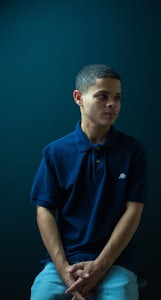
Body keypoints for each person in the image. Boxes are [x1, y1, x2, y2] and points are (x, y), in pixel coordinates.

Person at [30, 64, 147, 300]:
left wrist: (100, 267)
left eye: (117, 97)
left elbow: (133, 212)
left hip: (116, 261)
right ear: (79, 98)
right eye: (102, 96)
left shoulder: (132, 151)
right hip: (64, 261)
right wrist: (63, 270)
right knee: (42, 294)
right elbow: (44, 210)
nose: (112, 103)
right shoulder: (55, 152)